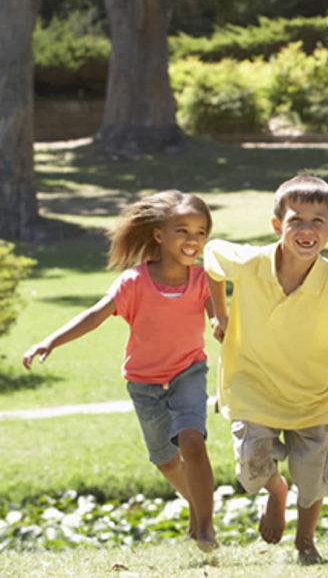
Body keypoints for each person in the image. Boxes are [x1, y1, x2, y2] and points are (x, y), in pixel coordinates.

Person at [204, 174, 328, 564]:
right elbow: (212, 257)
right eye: (296, 221)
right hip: (252, 390)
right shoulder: (251, 263)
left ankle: (305, 541)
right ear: (277, 225)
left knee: (312, 479)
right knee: (251, 469)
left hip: (311, 400)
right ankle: (276, 491)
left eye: (317, 222)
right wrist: (218, 314)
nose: (307, 231)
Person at [22, 190, 219, 551]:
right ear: (159, 234)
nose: (193, 240)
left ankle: (205, 528)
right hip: (144, 383)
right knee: (165, 461)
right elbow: (95, 315)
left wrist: (223, 325)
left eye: (200, 232)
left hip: (189, 371)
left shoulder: (203, 280)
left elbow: (219, 319)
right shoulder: (134, 282)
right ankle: (196, 505)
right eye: (182, 231)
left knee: (192, 441)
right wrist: (50, 341)